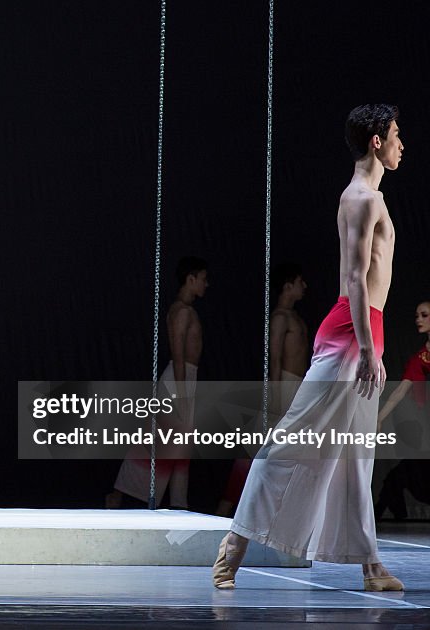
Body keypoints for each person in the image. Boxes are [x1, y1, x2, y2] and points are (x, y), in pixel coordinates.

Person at [213, 104, 404, 592]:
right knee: (291, 438)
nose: (403, 145)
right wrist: (365, 348)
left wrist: (372, 343)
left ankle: (371, 564)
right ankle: (233, 547)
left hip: (367, 333)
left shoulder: (371, 198)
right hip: (350, 337)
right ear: (376, 142)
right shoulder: (361, 198)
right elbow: (356, 279)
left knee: (357, 456)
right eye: (396, 135)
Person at [107, 256, 208, 510]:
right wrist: (182, 396)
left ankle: (178, 503)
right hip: (178, 380)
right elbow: (178, 356)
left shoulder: (186, 310)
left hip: (186, 379)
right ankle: (117, 496)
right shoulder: (181, 311)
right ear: (191, 279)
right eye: (204, 279)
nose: (206, 285)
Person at [216, 264, 309, 517]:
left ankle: (276, 509)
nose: (305, 286)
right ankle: (226, 507)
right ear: (288, 285)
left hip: (299, 387)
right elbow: (275, 358)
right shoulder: (280, 317)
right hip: (284, 386)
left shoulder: (295, 317)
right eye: (300, 281)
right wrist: (275, 394)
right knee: (256, 449)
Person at [373, 301, 430, 519]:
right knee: (406, 472)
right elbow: (400, 391)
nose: (418, 319)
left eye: (424, 315)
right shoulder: (421, 357)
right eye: (417, 315)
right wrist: (379, 418)